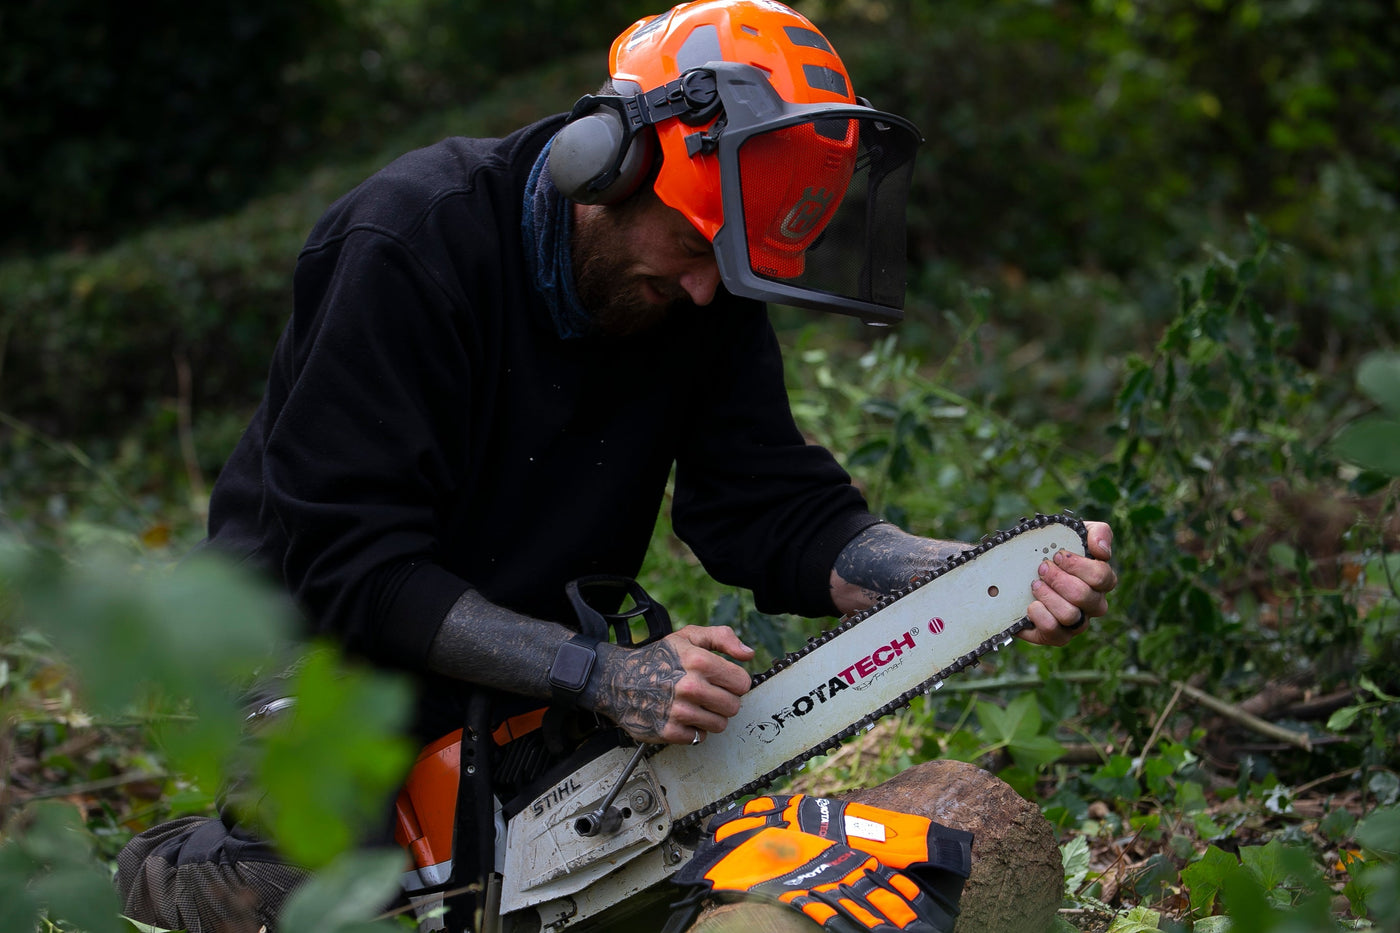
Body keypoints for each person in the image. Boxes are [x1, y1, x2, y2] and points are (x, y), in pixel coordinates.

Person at [122, 1, 1117, 930]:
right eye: (691, 246)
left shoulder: (703, 292)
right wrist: (597, 672)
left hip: (528, 659)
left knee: (600, 881)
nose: (703, 291)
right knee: (327, 898)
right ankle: (160, 870)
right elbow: (353, 569)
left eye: (726, 265)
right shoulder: (410, 244)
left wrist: (954, 576)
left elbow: (767, 502)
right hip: (318, 638)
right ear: (605, 166)